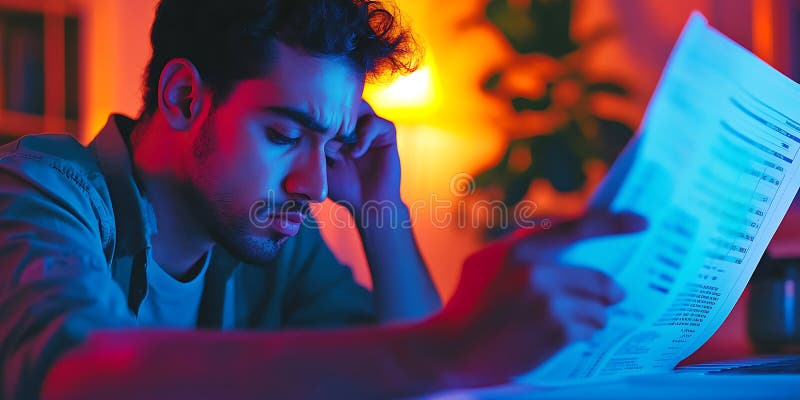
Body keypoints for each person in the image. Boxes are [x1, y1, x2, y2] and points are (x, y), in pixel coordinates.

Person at [0, 0, 645, 398]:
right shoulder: (44, 193)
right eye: (283, 134)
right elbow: (74, 373)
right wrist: (449, 347)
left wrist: (379, 213)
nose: (313, 185)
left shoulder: (273, 237)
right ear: (184, 99)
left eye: (329, 144)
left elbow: (408, 383)